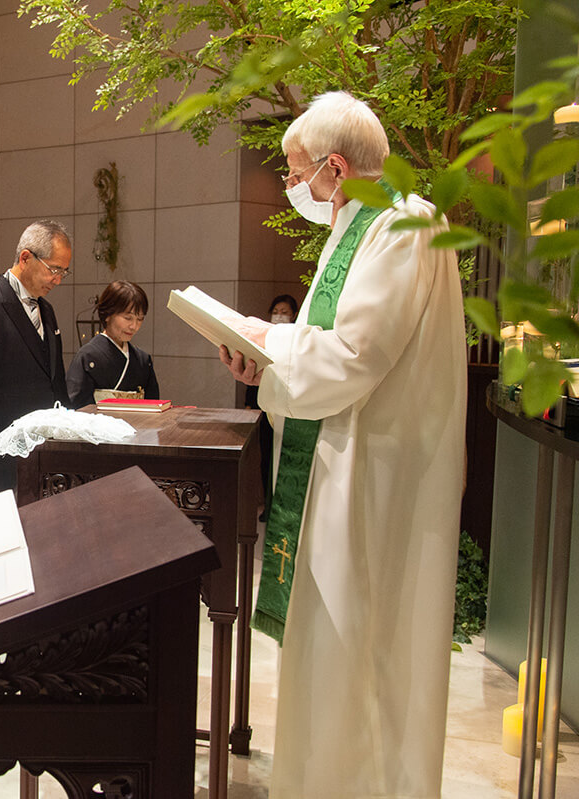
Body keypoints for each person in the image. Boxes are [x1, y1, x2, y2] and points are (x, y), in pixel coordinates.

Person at [218, 91, 465, 799]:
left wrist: (268, 342)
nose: (292, 188)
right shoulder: (359, 223)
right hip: (344, 460)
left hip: (378, 475)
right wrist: (265, 360)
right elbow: (329, 349)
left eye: (296, 174)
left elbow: (356, 352)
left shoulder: (404, 221)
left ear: (334, 165)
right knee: (331, 649)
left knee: (365, 646)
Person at [0, 220, 72, 493]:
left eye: (64, 272)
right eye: (53, 269)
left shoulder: (47, 309)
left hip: (44, 449)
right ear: (26, 257)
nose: (58, 280)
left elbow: (56, 379)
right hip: (1, 451)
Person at [245, 293, 302, 522]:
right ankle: (269, 506)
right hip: (266, 410)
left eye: (284, 312)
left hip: (291, 410)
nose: (279, 316)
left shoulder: (298, 341)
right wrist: (250, 405)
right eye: (275, 311)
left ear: (294, 315)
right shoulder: (265, 339)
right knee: (266, 459)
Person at [65, 280, 160, 408]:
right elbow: (76, 406)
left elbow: (153, 406)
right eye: (128, 318)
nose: (134, 326)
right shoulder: (88, 357)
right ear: (108, 314)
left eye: (140, 319)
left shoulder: (143, 360)